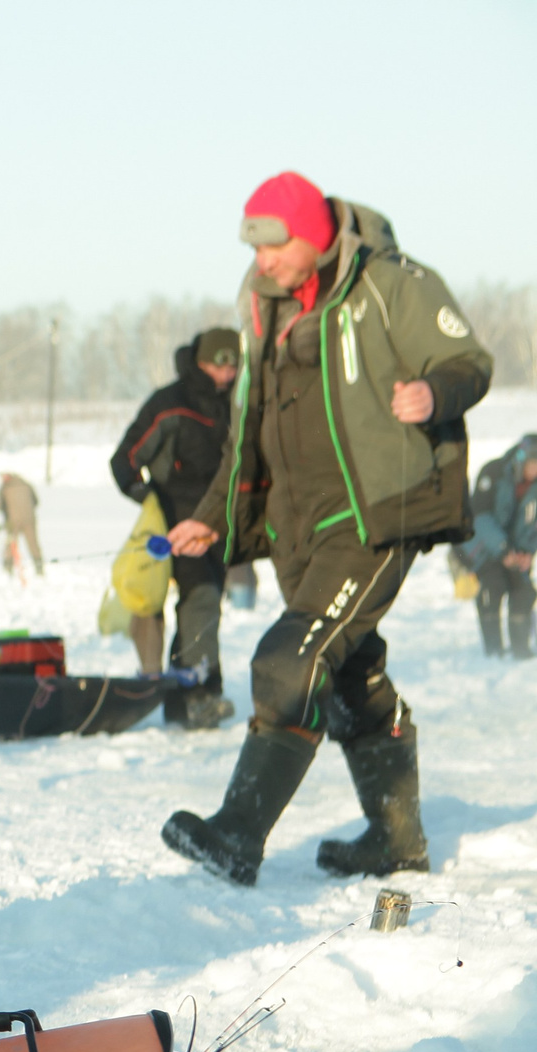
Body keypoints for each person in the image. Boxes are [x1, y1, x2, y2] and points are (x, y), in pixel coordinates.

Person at [162, 172, 490, 886]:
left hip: (376, 513)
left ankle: (238, 833)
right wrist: (213, 517)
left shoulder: (388, 283)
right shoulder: (259, 305)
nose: (265, 258)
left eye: (276, 244)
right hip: (296, 526)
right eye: (255, 245)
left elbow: (468, 362)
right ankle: (394, 840)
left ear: (313, 236)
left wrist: (434, 392)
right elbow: (246, 426)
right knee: (349, 675)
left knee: (291, 659)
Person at [111, 327, 242, 723]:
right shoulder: (170, 404)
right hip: (172, 523)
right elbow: (124, 461)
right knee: (199, 597)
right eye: (221, 363)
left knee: (205, 601)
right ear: (202, 362)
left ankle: (185, 696)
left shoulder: (239, 404)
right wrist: (149, 502)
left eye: (235, 364)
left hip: (219, 523)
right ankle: (196, 693)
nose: (229, 372)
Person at [461, 436, 537, 659]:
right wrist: (504, 550)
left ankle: (521, 650)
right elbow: (479, 518)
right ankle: (493, 652)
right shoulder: (493, 472)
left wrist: (527, 554)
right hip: (482, 548)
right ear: (522, 459)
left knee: (524, 591)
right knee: (492, 587)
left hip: (513, 551)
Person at [0, 470, 43, 581]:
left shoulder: (5, 488)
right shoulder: (26, 484)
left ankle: (8, 568)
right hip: (29, 519)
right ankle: (39, 566)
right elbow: (36, 501)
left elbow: (0, 506)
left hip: (13, 521)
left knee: (10, 544)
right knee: (33, 544)